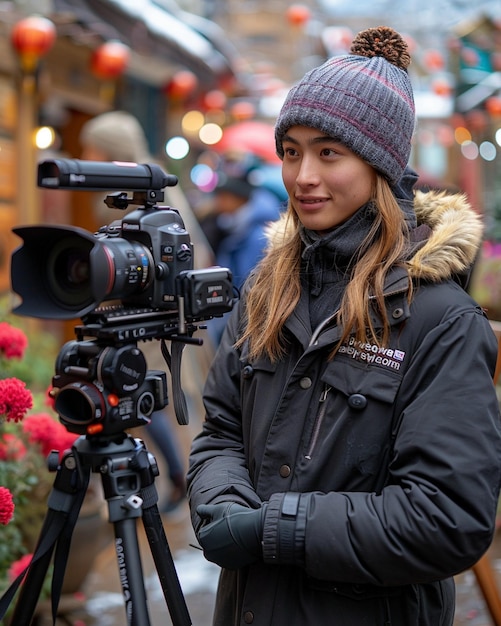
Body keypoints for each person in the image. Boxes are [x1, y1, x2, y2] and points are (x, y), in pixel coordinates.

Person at [186, 26, 501, 625]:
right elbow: (222, 430)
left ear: (380, 165)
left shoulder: (441, 320)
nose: (303, 175)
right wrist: (222, 502)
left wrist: (277, 529)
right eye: (292, 151)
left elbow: (447, 519)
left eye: (329, 152)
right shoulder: (268, 288)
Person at [80, 110, 214, 513]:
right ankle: (175, 476)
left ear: (109, 149)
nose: (84, 152)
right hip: (157, 312)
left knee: (142, 391)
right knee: (148, 394)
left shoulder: (135, 193)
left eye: (91, 146)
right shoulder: (148, 182)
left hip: (153, 317)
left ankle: (175, 477)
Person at [199, 151, 284, 344]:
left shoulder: (256, 236)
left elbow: (249, 293)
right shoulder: (233, 225)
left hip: (239, 332)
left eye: (222, 196)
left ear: (237, 198)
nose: (217, 202)